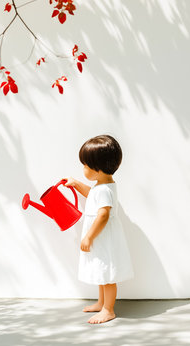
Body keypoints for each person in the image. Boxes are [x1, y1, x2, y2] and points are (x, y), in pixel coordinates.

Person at [65, 134, 134, 324]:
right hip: (102, 236)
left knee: (108, 275)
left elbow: (103, 215)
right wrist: (77, 183)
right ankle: (101, 303)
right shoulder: (102, 186)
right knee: (102, 272)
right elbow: (92, 195)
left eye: (85, 166)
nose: (83, 169)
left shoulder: (104, 189)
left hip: (103, 236)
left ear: (98, 169)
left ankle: (108, 309)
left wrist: (88, 237)